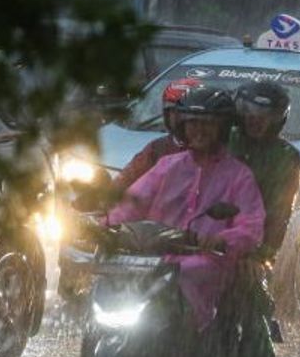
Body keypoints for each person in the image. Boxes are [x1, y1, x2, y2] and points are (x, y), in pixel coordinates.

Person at [108, 86, 265, 333]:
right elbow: (132, 202)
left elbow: (251, 226)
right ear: (182, 126)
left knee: (186, 273)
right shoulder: (167, 165)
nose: (198, 130)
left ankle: (186, 337)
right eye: (192, 123)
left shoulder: (239, 176)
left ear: (222, 128)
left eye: (207, 124)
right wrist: (108, 226)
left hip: (206, 261)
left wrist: (219, 240)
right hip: (154, 255)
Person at [224, 80, 300, 357]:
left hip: (251, 246)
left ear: (279, 119)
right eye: (248, 112)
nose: (255, 121)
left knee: (251, 297)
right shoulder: (220, 140)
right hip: (201, 239)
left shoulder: (285, 156)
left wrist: (260, 254)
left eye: (264, 115)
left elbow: (280, 211)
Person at [114, 77, 201, 190]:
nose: (176, 118)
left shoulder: (215, 150)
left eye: (184, 112)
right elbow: (124, 182)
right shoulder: (157, 149)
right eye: (172, 111)